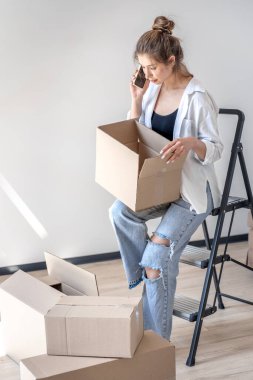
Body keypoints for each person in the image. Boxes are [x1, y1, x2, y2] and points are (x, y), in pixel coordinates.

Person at [109, 15, 223, 341]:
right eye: (143, 68)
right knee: (118, 211)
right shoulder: (151, 92)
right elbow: (135, 134)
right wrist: (135, 98)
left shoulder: (198, 98)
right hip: (162, 187)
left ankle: (157, 344)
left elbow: (216, 149)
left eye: (153, 68)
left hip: (191, 194)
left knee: (157, 261)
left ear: (171, 61)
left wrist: (192, 144)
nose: (148, 75)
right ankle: (145, 275)